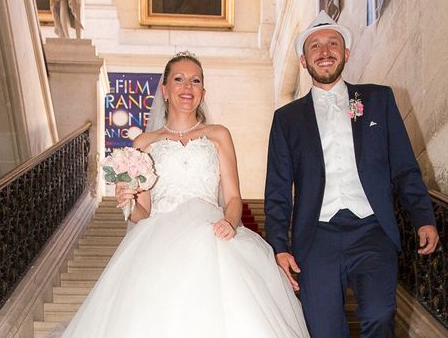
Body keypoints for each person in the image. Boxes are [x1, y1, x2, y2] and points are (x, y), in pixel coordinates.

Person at [59, 52, 310, 337]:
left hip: (213, 233)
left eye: (195, 81)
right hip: (159, 240)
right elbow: (144, 213)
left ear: (203, 92)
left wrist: (229, 221)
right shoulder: (144, 142)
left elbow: (233, 198)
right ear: (164, 90)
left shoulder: (218, 134)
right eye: (179, 79)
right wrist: (127, 201)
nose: (187, 87)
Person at [265, 11, 439, 338]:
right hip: (315, 237)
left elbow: (404, 167)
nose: (325, 50)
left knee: (380, 314)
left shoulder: (378, 99)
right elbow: (277, 189)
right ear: (304, 60)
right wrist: (279, 245)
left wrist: (423, 217)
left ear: (346, 53)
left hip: (372, 230)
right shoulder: (287, 119)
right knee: (323, 330)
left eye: (333, 43)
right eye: (315, 45)